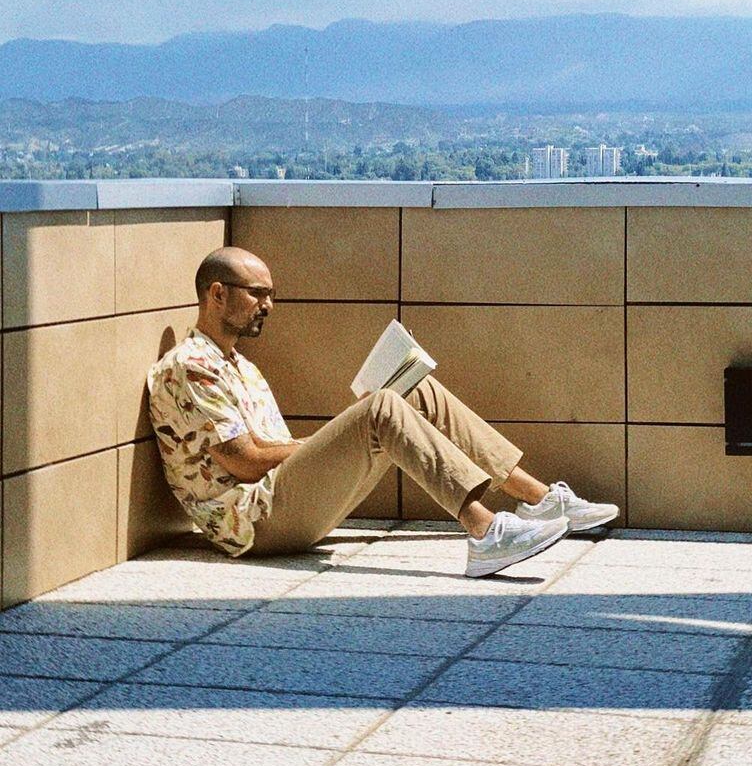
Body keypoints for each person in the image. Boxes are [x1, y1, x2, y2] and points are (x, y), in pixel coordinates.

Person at [147, 246, 618, 577]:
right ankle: (484, 532)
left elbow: (265, 450)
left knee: (413, 389)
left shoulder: (238, 365)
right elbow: (242, 461)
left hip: (280, 502)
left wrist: (342, 440)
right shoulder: (191, 366)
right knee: (382, 409)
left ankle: (539, 500)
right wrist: (333, 441)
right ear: (216, 294)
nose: (267, 305)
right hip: (252, 523)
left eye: (270, 295)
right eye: (257, 293)